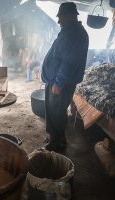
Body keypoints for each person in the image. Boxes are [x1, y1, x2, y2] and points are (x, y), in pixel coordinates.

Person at [41, 2, 89, 152]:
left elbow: (69, 63)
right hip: (55, 80)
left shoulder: (76, 35)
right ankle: (53, 137)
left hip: (61, 82)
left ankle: (58, 142)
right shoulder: (69, 30)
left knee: (57, 112)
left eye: (61, 17)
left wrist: (58, 83)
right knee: (52, 110)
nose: (59, 21)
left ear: (71, 16)